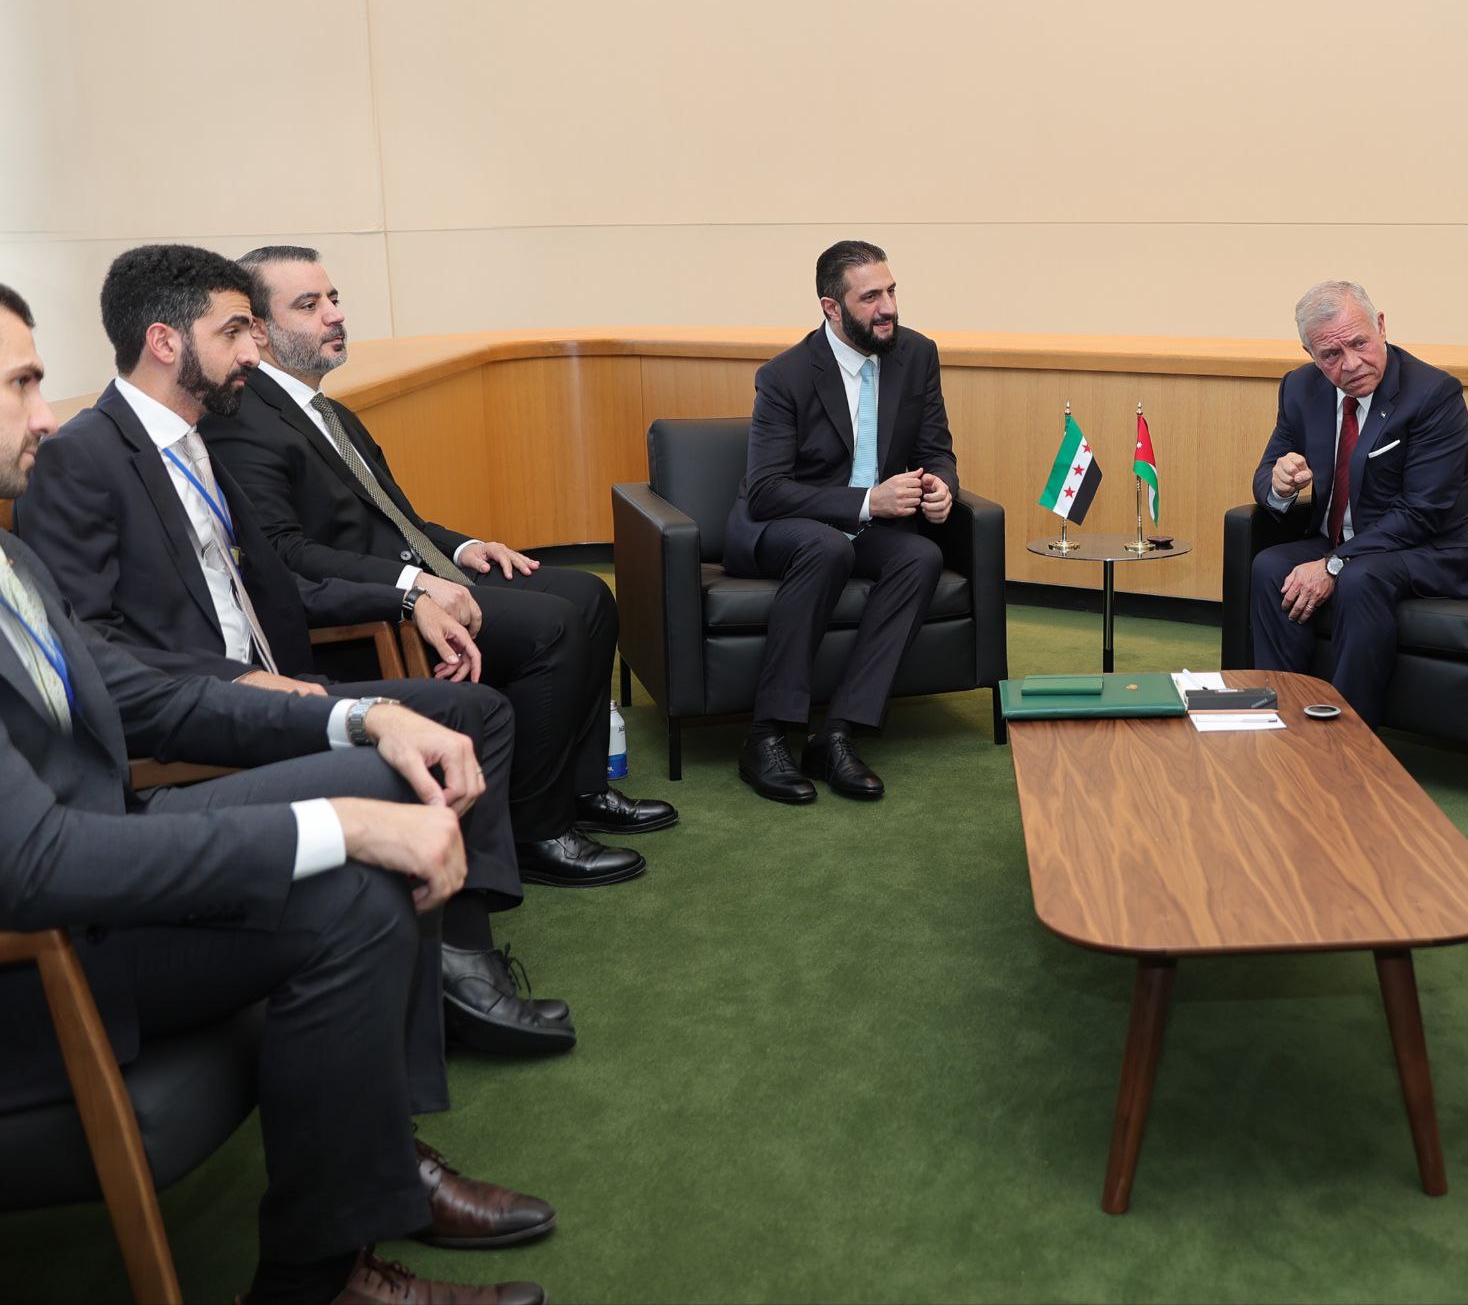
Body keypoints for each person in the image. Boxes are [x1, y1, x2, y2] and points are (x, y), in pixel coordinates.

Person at [0, 259, 549, 1305]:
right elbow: (30, 862)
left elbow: (139, 700)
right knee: (353, 868)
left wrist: (363, 712)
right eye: (20, 382)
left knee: (384, 780)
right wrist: (337, 824)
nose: (47, 415)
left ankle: (351, 1222)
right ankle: (326, 1271)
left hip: (90, 863)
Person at [16, 244, 575, 1057]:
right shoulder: (83, 457)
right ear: (167, 341)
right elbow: (90, 649)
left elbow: (291, 579)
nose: (252, 350)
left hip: (281, 680)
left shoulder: (200, 441)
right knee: (409, 750)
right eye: (236, 330)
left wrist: (409, 595)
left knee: (474, 712)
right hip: (200, 715)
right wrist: (241, 682)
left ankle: (460, 955)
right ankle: (456, 981)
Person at [204, 245, 668, 886]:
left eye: (333, 298)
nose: (334, 315)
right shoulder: (243, 420)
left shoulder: (323, 409)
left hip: (420, 571)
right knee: (551, 625)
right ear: (258, 328)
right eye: (308, 306)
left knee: (591, 596)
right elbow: (286, 554)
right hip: (371, 607)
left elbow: (398, 518)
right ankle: (536, 831)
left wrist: (463, 548)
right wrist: (412, 583)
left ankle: (580, 789)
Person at [721, 239, 957, 806]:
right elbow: (768, 490)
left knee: (921, 555)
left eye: (892, 291)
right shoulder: (785, 376)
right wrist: (866, 502)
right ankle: (767, 736)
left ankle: (837, 734)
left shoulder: (916, 355)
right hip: (780, 525)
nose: (888, 308)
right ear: (832, 307)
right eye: (870, 296)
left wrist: (939, 486)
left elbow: (936, 447)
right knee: (828, 549)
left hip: (865, 527)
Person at [1244, 280, 1468, 727]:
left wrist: (1334, 563)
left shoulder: (1433, 394)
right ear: (1310, 354)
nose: (1351, 364)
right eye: (1331, 356)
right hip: (1345, 542)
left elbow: (1423, 512)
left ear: (1380, 326)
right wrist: (1280, 485)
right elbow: (1267, 471)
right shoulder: (1301, 389)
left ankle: (1351, 735)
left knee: (1359, 578)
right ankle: (1280, 716)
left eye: (1359, 343)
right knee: (1268, 567)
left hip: (1433, 548)